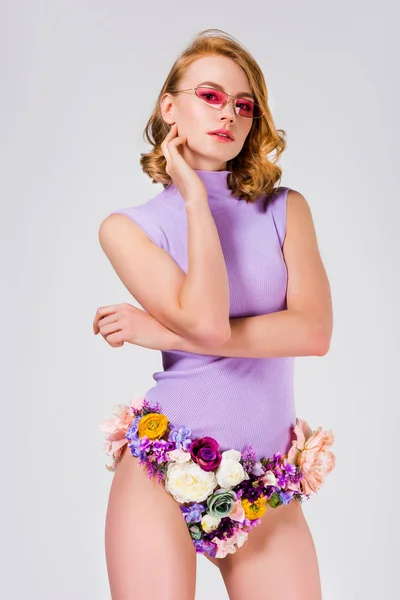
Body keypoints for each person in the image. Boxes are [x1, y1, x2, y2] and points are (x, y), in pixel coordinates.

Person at [93, 28, 335, 600]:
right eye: (209, 95)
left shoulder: (285, 209)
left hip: (265, 483)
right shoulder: (129, 229)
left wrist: (155, 330)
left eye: (243, 104)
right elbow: (206, 322)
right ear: (169, 106)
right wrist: (195, 199)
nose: (228, 113)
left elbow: (313, 332)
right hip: (164, 463)